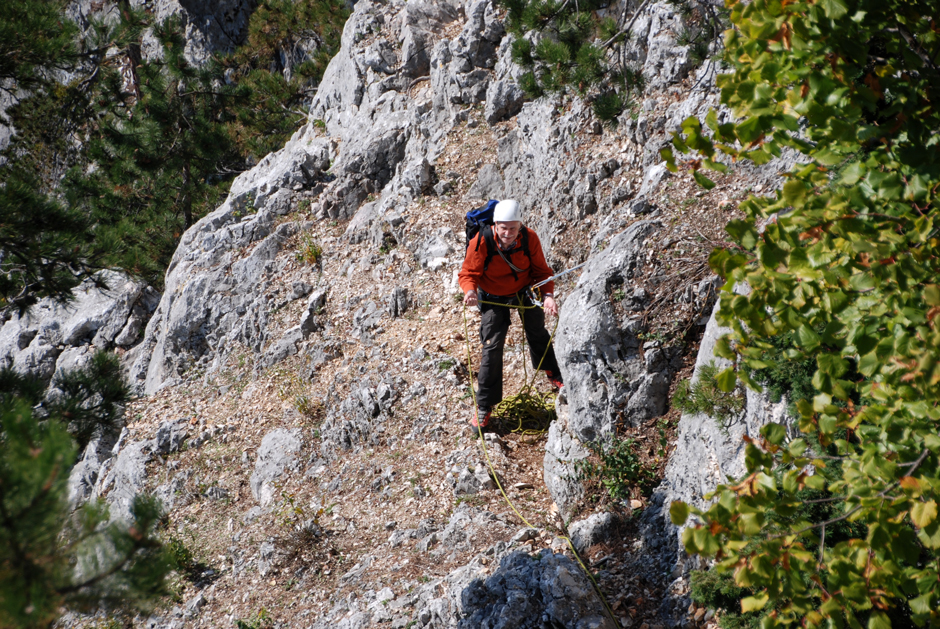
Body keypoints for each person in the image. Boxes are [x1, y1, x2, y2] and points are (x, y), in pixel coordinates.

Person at [458, 199, 563, 432]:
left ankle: (553, 373)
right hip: (492, 295)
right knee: (492, 346)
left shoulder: (529, 238)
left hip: (524, 289)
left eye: (513, 228)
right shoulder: (482, 240)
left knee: (537, 330)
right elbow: (468, 273)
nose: (508, 233)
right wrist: (470, 291)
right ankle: (484, 405)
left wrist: (547, 295)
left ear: (520, 226)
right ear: (495, 225)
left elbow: (542, 272)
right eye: (503, 228)